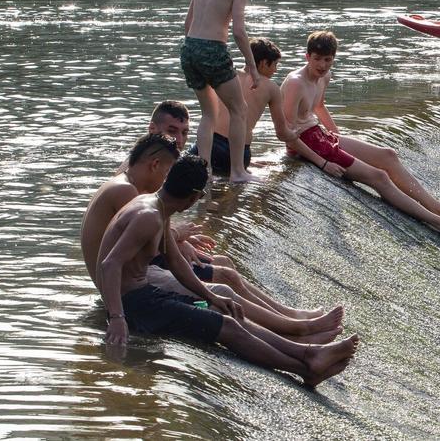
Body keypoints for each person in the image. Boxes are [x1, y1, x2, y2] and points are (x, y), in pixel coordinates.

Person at [96, 153, 360, 388]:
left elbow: (176, 262)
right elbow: (110, 264)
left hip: (148, 298)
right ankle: (306, 366)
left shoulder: (156, 207)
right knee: (228, 327)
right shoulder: (148, 217)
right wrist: (117, 318)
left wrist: (211, 296)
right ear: (194, 197)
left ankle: (305, 352)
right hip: (138, 307)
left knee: (220, 308)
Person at [86, 134, 343, 342]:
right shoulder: (127, 191)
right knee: (222, 287)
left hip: (134, 268)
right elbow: (138, 241)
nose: (169, 181)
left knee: (225, 267)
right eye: (168, 173)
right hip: (124, 282)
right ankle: (294, 330)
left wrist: (178, 239)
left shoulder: (127, 180)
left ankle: (291, 320)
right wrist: (177, 236)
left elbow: (149, 233)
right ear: (154, 164)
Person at [282, 30, 440, 238]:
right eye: (317, 59)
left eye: (327, 60)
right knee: (379, 177)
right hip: (304, 143)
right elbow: (287, 134)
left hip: (318, 135)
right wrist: (322, 163)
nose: (322, 65)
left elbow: (319, 106)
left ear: (333, 58)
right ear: (307, 57)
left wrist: (337, 137)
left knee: (388, 155)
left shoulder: (324, 77)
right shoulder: (296, 82)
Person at [181, 0, 268, 183]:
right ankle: (238, 171)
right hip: (212, 49)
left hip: (189, 48)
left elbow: (188, 23)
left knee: (209, 113)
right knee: (239, 109)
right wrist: (252, 67)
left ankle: (204, 170)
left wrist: (198, 48)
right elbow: (239, 32)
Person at [198, 37, 297, 173]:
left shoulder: (227, 75)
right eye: (275, 64)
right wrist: (296, 134)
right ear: (263, 63)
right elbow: (281, 133)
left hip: (209, 144)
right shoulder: (271, 87)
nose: (275, 70)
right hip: (238, 153)